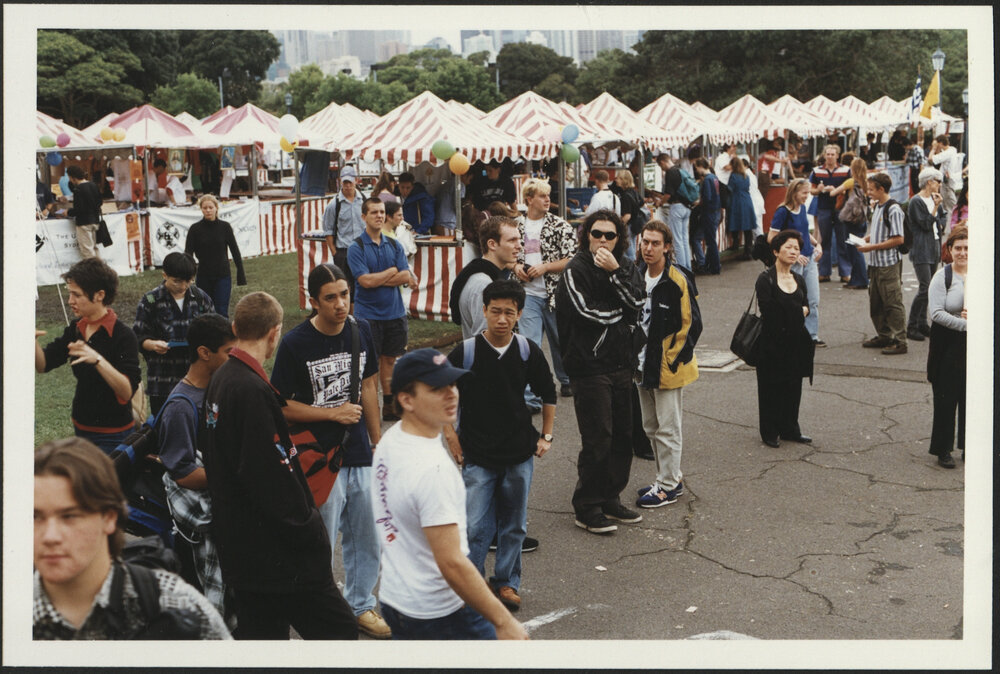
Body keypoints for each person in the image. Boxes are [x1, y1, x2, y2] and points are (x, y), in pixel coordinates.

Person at [200, 292, 358, 640]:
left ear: (235, 327)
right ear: (275, 333)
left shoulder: (221, 380)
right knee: (342, 634)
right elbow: (271, 479)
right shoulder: (251, 390)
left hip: (243, 552)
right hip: (280, 558)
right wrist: (310, 530)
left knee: (263, 641)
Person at [370, 348, 529, 640]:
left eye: (452, 384)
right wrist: (503, 622)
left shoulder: (390, 442)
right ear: (406, 399)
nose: (451, 394)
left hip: (396, 598)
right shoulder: (435, 471)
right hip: (439, 612)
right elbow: (452, 563)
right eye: (436, 389)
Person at [270, 263, 391, 639]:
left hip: (359, 453)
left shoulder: (361, 330)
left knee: (368, 534)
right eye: (330, 298)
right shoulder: (295, 343)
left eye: (345, 294)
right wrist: (330, 413)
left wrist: (376, 440)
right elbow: (280, 406)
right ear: (313, 301)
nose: (340, 304)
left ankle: (361, 605)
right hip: (318, 459)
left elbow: (369, 386)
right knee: (321, 537)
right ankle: (314, 607)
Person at [33, 437, 231, 640]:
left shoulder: (174, 603)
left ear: (109, 517)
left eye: (69, 516)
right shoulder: (18, 610)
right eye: (35, 517)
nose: (50, 536)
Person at [443, 280, 556, 612]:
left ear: (519, 314)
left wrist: (546, 436)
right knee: (476, 526)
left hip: (519, 453)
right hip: (477, 454)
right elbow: (440, 392)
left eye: (509, 312)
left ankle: (507, 582)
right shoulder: (466, 351)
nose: (502, 319)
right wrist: (450, 435)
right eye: (496, 311)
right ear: (484, 311)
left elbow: (548, 393)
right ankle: (473, 585)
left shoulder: (526, 351)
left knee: (514, 524)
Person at [555, 210, 645, 535]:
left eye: (610, 235)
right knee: (598, 438)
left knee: (624, 436)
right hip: (589, 367)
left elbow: (638, 299)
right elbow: (585, 311)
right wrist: (622, 312)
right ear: (586, 235)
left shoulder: (625, 266)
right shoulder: (575, 269)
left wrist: (616, 273)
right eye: (597, 234)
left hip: (622, 364)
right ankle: (587, 505)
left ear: (619, 238)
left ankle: (610, 497)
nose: (603, 241)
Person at [157, 313, 236, 623]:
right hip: (202, 523)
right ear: (205, 353)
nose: (235, 358)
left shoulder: (221, 386)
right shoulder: (181, 406)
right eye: (229, 352)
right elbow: (184, 473)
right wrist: (235, 474)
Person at [35, 258, 141, 454]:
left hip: (114, 433)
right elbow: (43, 365)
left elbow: (127, 392)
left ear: (100, 295)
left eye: (77, 295)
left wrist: (98, 360)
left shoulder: (123, 336)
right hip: (82, 427)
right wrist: (31, 341)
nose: (70, 301)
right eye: (70, 294)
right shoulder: (76, 329)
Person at [633, 220, 701, 507]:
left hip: (666, 366)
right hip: (640, 364)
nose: (648, 248)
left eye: (655, 243)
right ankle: (667, 476)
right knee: (650, 426)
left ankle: (668, 485)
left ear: (668, 247)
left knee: (668, 428)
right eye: (645, 242)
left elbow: (692, 325)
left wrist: (671, 359)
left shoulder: (677, 279)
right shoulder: (637, 274)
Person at [513, 178, 578, 401]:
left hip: (555, 294)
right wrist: (516, 266)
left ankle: (567, 379)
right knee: (529, 344)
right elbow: (506, 256)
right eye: (542, 196)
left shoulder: (560, 225)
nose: (548, 199)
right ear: (529, 199)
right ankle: (531, 395)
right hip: (527, 294)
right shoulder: (515, 226)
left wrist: (546, 267)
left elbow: (572, 259)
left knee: (560, 340)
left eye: (548, 195)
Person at [347, 198, 412, 422]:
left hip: (394, 313)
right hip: (368, 316)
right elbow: (364, 281)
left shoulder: (394, 245)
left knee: (390, 360)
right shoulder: (356, 247)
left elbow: (406, 275)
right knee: (370, 365)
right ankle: (369, 406)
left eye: (382, 212)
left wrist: (380, 278)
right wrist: (391, 272)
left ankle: (389, 403)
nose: (379, 216)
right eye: (373, 212)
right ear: (363, 216)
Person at [132, 252, 216, 416]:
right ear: (165, 275)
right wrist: (151, 344)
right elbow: (137, 335)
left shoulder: (201, 299)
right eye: (177, 281)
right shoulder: (150, 300)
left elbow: (215, 332)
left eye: (189, 280)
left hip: (197, 379)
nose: (183, 286)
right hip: (162, 381)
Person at [755, 230, 815, 448]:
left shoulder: (798, 278)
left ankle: (790, 428)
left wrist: (798, 311)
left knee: (793, 387)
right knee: (771, 388)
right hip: (771, 343)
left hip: (796, 342)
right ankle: (769, 431)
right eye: (788, 247)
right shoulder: (766, 279)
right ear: (776, 251)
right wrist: (799, 312)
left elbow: (808, 304)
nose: (793, 252)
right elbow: (770, 313)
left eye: (797, 248)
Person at [926, 227, 967, 468]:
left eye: (967, 248)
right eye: (958, 248)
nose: (963, 253)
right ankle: (943, 449)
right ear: (950, 250)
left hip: (972, 342)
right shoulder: (942, 277)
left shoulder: (980, 273)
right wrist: (965, 324)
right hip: (947, 342)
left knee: (971, 396)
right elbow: (937, 313)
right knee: (946, 396)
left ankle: (968, 446)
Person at [856, 173, 907, 355]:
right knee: (876, 301)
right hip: (875, 264)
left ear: (881, 189)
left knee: (892, 302)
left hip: (888, 264)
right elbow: (880, 231)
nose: (868, 192)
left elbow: (898, 238)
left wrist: (872, 247)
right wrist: (865, 239)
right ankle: (884, 335)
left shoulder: (893, 209)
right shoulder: (878, 206)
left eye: (871, 189)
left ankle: (900, 340)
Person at [769, 179, 824, 346]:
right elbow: (772, 237)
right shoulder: (782, 211)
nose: (807, 196)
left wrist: (816, 244)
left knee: (812, 299)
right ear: (794, 193)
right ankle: (792, 333)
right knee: (794, 299)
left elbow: (804, 232)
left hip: (809, 258)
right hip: (794, 262)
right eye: (804, 193)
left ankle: (811, 335)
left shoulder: (803, 208)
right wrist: (793, 253)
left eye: (808, 193)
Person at [450, 215, 519, 339]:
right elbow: (486, 341)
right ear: (492, 244)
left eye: (519, 240)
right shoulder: (484, 285)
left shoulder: (482, 278)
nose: (519, 245)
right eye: (512, 240)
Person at [184, 194, 246, 318]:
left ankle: (223, 336)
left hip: (222, 275)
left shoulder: (225, 227)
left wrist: (240, 272)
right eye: (205, 208)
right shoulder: (195, 229)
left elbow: (234, 250)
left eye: (210, 207)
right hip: (203, 275)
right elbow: (188, 254)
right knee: (205, 311)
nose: (208, 210)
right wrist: (188, 275)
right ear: (201, 209)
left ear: (216, 208)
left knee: (221, 310)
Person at [905, 167, 947, 342]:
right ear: (930, 181)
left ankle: (922, 322)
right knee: (925, 287)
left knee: (930, 288)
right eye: (938, 181)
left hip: (934, 245)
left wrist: (938, 213)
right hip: (921, 247)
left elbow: (942, 218)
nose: (939, 185)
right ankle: (912, 325)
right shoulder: (916, 201)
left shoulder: (935, 199)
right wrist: (935, 209)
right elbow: (924, 224)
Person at [809, 144, 852, 283]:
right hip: (823, 208)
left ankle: (845, 272)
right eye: (827, 154)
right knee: (824, 240)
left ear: (837, 156)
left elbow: (850, 188)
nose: (829, 157)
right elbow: (812, 190)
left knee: (842, 240)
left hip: (841, 208)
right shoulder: (816, 171)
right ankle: (824, 272)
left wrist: (838, 190)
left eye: (832, 154)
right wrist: (820, 189)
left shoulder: (846, 170)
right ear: (824, 155)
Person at [827, 157, 870, 291]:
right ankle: (857, 278)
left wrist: (830, 188)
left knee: (853, 250)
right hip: (862, 218)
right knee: (858, 248)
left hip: (851, 219)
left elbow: (833, 193)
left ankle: (860, 279)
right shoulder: (867, 183)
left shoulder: (851, 182)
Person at [322, 165, 366, 291]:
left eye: (350, 182)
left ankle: (361, 311)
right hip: (343, 252)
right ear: (340, 181)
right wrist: (335, 253)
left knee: (363, 284)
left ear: (356, 181)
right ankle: (349, 311)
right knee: (346, 288)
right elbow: (328, 230)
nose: (347, 186)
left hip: (362, 249)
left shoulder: (364, 201)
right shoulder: (333, 204)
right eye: (345, 182)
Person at [65, 166, 103, 260]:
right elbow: (100, 202)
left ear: (72, 177)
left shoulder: (78, 189)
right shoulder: (93, 185)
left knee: (87, 251)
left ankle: (93, 273)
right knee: (94, 248)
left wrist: (68, 212)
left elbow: (79, 209)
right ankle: (101, 271)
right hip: (95, 220)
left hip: (84, 222)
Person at [691, 158, 721, 275]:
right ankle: (711, 265)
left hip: (708, 213)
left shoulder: (707, 180)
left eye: (697, 168)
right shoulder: (714, 178)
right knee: (710, 240)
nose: (697, 171)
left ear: (700, 166)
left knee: (710, 241)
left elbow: (707, 198)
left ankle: (714, 266)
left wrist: (699, 204)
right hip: (715, 211)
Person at [927, 135, 964, 225]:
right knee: (945, 204)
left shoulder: (947, 153)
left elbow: (930, 159)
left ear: (940, 143)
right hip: (948, 179)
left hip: (947, 180)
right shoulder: (952, 149)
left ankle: (960, 220)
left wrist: (933, 148)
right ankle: (946, 223)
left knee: (951, 203)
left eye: (937, 144)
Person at [726, 156, 756, 260]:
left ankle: (735, 244)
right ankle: (748, 250)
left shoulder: (733, 176)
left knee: (736, 222)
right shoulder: (745, 175)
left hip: (737, 201)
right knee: (748, 227)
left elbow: (730, 188)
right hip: (747, 200)